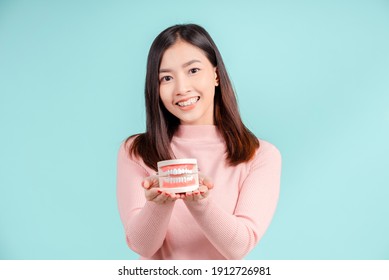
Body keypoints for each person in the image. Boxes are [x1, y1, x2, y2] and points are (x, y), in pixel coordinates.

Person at [116, 24, 282, 260]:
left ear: (215, 74)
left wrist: (200, 203)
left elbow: (238, 247)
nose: (182, 88)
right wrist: (158, 203)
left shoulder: (260, 155)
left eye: (193, 70)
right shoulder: (136, 151)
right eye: (166, 77)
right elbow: (142, 246)